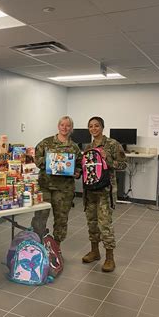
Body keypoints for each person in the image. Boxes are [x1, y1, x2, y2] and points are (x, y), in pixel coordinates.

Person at [82, 116, 127, 272]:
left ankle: (110, 258)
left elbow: (123, 164)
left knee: (105, 224)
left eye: (96, 126)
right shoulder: (88, 147)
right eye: (91, 126)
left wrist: (107, 160)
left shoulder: (113, 144)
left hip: (105, 191)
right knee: (92, 222)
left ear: (102, 127)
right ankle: (95, 252)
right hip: (90, 191)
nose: (94, 129)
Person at [31, 116, 82, 244]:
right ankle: (37, 245)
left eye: (68, 125)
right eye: (62, 125)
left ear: (71, 128)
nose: (65, 128)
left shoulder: (74, 147)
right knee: (40, 217)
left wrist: (77, 173)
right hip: (45, 186)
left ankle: (56, 247)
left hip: (64, 189)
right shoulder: (46, 143)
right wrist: (52, 162)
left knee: (61, 219)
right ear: (58, 126)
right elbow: (36, 159)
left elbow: (80, 166)